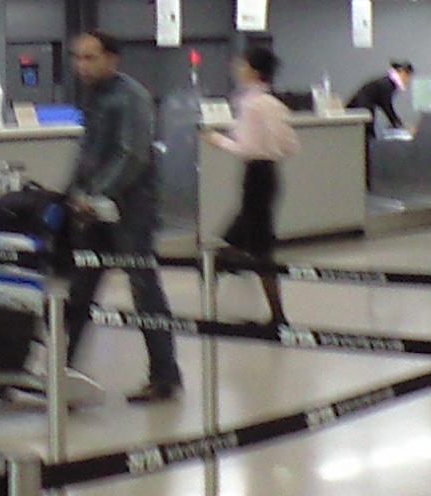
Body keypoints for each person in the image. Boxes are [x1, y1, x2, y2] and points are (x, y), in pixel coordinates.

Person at [64, 30, 182, 405]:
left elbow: (132, 155)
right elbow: (89, 152)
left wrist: (97, 194)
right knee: (80, 288)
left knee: (143, 288)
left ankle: (165, 375)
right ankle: (61, 371)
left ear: (112, 59)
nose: (81, 65)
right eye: (77, 58)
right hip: (94, 209)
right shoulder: (93, 96)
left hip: (132, 209)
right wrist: (72, 192)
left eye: (90, 57)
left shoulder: (132, 96)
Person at [203, 46, 299, 326]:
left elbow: (246, 148)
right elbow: (290, 145)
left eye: (242, 65)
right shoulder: (274, 103)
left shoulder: (251, 104)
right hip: (270, 176)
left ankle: (273, 315)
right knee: (254, 244)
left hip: (254, 176)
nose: (237, 68)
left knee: (256, 249)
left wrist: (216, 139)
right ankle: (272, 312)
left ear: (254, 71)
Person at [346, 61, 415, 138]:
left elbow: (385, 105)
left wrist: (397, 122)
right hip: (361, 110)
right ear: (402, 73)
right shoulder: (387, 85)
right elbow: (387, 106)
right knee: (366, 135)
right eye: (407, 76)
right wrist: (398, 123)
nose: (407, 80)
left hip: (362, 109)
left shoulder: (386, 83)